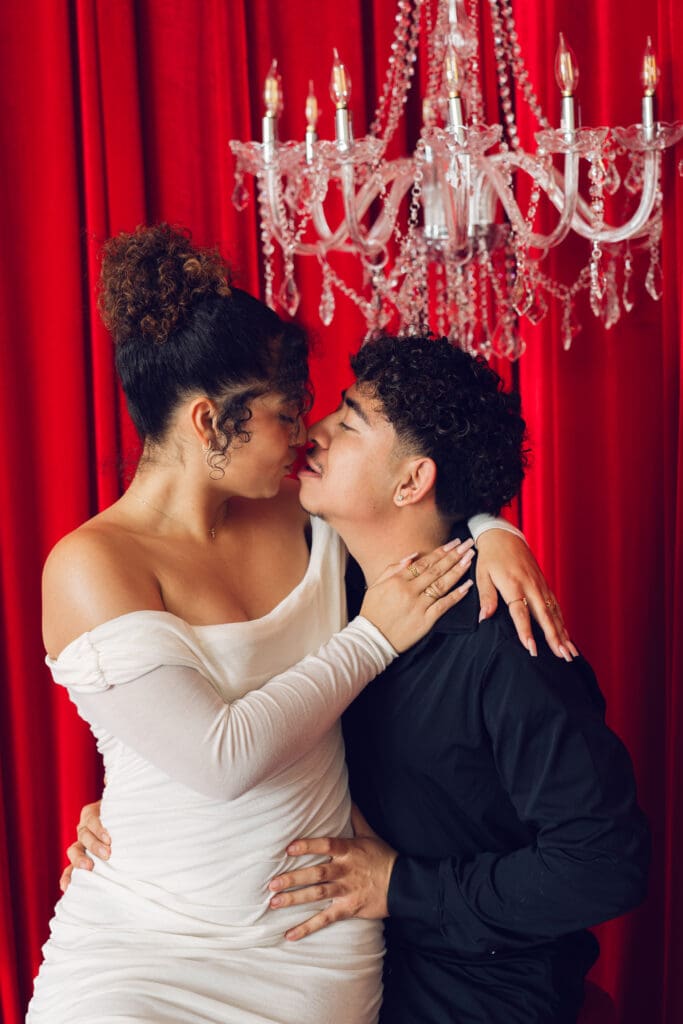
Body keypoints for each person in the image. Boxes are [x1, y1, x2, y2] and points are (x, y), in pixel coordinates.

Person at [29, 225, 572, 1024]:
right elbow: (218, 760)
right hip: (140, 933)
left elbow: (407, 496)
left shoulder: (303, 513)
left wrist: (496, 530)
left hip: (307, 939)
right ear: (211, 424)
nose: (305, 435)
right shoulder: (89, 566)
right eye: (287, 414)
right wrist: (372, 636)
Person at [258, 336, 650, 1023]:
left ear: (411, 481)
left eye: (347, 423)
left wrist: (402, 886)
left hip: (476, 990)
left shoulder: (507, 645)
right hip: (331, 957)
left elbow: (603, 864)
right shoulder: (315, 580)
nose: (312, 431)